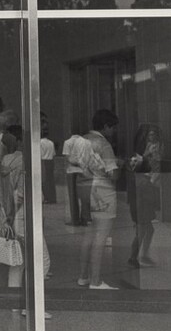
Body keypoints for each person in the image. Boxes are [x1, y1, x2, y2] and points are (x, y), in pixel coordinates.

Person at [0, 128, 52, 319]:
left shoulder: (4, 160)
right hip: (24, 214)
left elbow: (3, 192)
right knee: (41, 260)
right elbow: (21, 193)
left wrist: (6, 217)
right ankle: (32, 304)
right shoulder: (26, 160)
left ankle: (14, 303)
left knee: (17, 262)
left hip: (11, 215)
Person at [76, 109, 121, 290]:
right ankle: (95, 281)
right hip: (103, 191)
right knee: (101, 237)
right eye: (113, 127)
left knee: (88, 236)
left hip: (85, 189)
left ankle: (83, 276)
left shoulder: (81, 141)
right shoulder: (104, 144)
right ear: (105, 126)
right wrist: (121, 166)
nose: (114, 131)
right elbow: (113, 174)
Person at [127, 123, 164, 268]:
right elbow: (138, 175)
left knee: (147, 229)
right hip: (141, 197)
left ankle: (141, 255)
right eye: (149, 135)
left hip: (143, 197)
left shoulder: (146, 156)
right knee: (143, 229)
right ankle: (134, 256)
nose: (152, 138)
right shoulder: (139, 159)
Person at [63, 131, 91, 226]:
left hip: (71, 170)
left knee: (72, 196)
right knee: (84, 195)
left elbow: (68, 158)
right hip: (83, 170)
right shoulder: (87, 142)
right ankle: (85, 218)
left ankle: (75, 219)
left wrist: (76, 161)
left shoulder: (67, 142)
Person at [39, 113, 57, 204]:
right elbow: (53, 153)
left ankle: (46, 197)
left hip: (43, 161)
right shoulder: (51, 142)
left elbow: (40, 154)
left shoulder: (40, 143)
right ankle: (52, 197)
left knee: (44, 180)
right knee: (51, 180)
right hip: (50, 161)